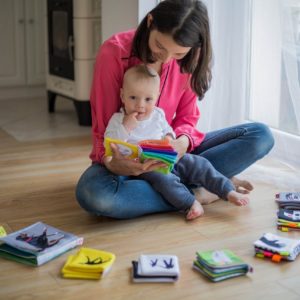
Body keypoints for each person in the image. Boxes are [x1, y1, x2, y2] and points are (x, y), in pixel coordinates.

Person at [76, 0, 274, 219]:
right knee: (95, 195)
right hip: (128, 163)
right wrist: (113, 163)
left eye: (178, 54)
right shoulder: (114, 52)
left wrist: (180, 143)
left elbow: (187, 118)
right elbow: (103, 131)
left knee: (260, 135)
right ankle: (201, 190)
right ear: (150, 22)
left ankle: (191, 187)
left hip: (172, 156)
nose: (167, 58)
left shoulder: (189, 57)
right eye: (160, 46)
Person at [105, 64, 249, 220]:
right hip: (146, 167)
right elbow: (111, 144)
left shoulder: (158, 114)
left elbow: (168, 130)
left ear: (157, 97)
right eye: (133, 98)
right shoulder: (118, 120)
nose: (140, 105)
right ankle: (190, 202)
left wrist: (169, 138)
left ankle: (227, 190)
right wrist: (125, 127)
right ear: (122, 95)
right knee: (165, 181)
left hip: (168, 157)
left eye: (148, 99)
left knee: (199, 164)